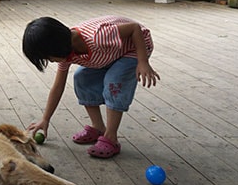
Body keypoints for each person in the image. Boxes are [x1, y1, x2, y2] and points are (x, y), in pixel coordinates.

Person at [22, 15, 159, 159]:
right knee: (82, 78)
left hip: (135, 48)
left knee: (114, 82)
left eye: (48, 57)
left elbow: (134, 28)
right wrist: (45, 119)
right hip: (109, 53)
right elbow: (58, 87)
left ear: (55, 46)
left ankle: (111, 137)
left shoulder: (97, 37)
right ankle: (98, 127)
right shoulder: (67, 52)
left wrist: (143, 61)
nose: (50, 61)